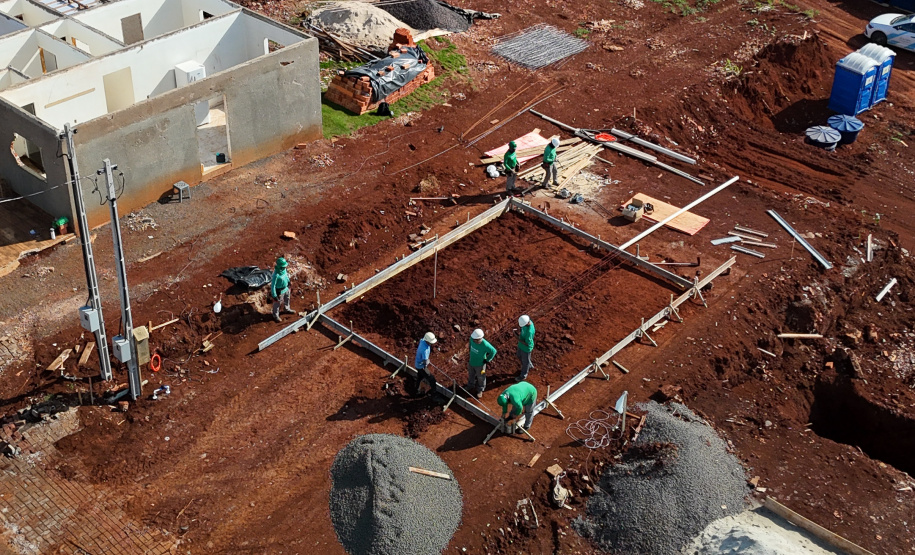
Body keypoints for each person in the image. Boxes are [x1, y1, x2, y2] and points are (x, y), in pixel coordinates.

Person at [467, 329, 496, 399]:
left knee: (480, 377)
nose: (473, 340)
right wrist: (470, 350)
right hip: (471, 362)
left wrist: (487, 360)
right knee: (471, 374)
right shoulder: (472, 338)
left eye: (475, 340)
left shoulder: (485, 345)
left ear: (479, 339)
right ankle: (470, 385)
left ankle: (480, 389)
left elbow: (493, 351)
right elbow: (470, 344)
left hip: (480, 365)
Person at [270, 257, 294, 322]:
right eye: (283, 267)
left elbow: (286, 276)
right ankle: (275, 315)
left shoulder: (284, 270)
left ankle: (287, 309)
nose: (284, 268)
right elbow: (273, 286)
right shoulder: (276, 275)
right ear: (279, 267)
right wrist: (274, 295)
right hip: (279, 291)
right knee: (277, 303)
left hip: (286, 288)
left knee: (287, 298)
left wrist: (288, 281)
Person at [515, 315, 535, 382]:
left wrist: (517, 337)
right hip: (521, 345)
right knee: (519, 355)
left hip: (526, 348)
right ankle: (530, 365)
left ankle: (523, 376)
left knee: (525, 362)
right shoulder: (527, 322)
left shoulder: (529, 332)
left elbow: (527, 343)